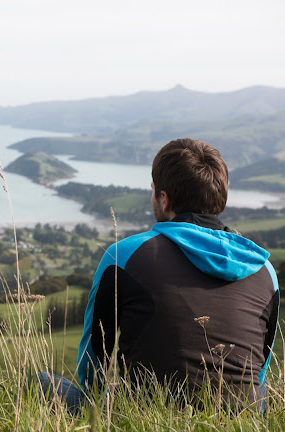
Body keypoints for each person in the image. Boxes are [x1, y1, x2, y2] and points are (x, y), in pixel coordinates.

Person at [38, 138, 279, 412]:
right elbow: (260, 368)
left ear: (164, 199)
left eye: (153, 191)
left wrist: (99, 406)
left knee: (40, 382)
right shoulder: (264, 269)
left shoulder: (124, 256)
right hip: (244, 416)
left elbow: (94, 361)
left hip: (147, 414)